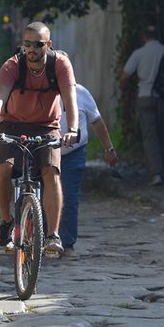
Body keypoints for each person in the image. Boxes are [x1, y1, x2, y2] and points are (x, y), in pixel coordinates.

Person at [0, 22, 79, 255]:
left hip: (47, 126)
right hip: (12, 124)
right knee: (3, 169)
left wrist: (73, 129)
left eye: (38, 44)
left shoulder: (60, 65)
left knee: (51, 171)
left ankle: (52, 235)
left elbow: (70, 99)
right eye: (27, 44)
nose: (32, 49)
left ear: (49, 45)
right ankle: (6, 221)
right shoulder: (12, 66)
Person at [58, 83, 118, 258]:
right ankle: (45, 238)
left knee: (70, 197)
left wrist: (109, 149)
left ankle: (67, 244)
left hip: (73, 153)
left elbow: (96, 121)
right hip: (46, 152)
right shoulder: (42, 91)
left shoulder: (80, 92)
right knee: (44, 194)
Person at [120, 25, 164, 186]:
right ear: (158, 36)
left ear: (144, 37)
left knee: (150, 136)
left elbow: (124, 77)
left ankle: (157, 173)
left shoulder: (138, 53)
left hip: (145, 97)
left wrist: (124, 90)